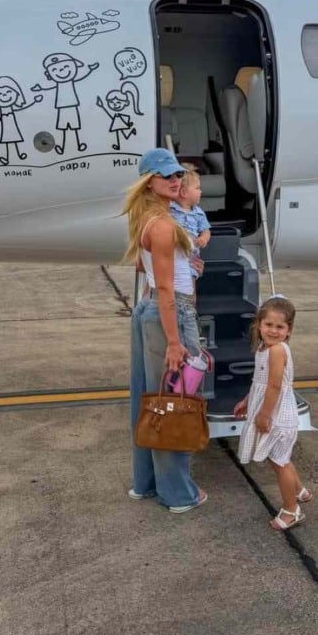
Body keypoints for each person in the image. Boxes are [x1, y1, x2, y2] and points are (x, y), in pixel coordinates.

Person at [123, 148, 208, 513]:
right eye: (166, 176)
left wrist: (186, 265)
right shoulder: (163, 226)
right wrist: (174, 341)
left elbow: (148, 272)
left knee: (148, 398)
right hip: (170, 313)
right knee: (174, 403)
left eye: (177, 175)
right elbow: (166, 288)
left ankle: (145, 483)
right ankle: (178, 494)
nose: (175, 181)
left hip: (150, 309)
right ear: (149, 182)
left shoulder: (147, 219)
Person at [234, 295, 313, 530]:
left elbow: (275, 386)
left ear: (289, 330)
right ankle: (300, 491)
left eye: (280, 327)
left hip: (278, 416)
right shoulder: (263, 348)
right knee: (280, 457)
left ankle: (291, 510)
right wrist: (248, 400)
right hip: (272, 411)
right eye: (268, 324)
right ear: (259, 324)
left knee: (280, 462)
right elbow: (261, 381)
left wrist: (264, 415)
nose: (273, 330)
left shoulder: (277, 351)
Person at [168, 164, 211, 282]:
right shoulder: (170, 209)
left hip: (191, 259)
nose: (200, 191)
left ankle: (190, 295)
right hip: (173, 257)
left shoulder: (198, 213)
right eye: (197, 188)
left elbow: (206, 230)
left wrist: (204, 238)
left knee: (190, 282)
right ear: (184, 193)